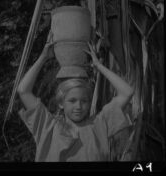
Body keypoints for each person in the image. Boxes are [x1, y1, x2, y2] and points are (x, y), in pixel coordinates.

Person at [17, 31, 134, 162]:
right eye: (72, 101)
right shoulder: (47, 127)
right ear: (61, 103)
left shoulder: (99, 125)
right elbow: (23, 91)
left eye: (84, 101)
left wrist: (99, 66)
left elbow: (127, 92)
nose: (78, 106)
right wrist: (43, 57)